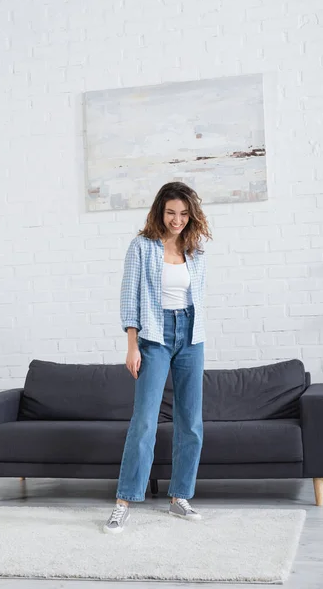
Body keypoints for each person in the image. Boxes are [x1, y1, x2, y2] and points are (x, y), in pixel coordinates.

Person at [103, 181, 212, 534]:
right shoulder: (142, 246)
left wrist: (193, 334)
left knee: (190, 422)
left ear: (191, 215)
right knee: (145, 421)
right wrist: (132, 345)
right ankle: (124, 501)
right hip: (154, 335)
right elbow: (128, 297)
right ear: (159, 212)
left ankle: (180, 496)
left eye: (183, 213)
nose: (177, 219)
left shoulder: (196, 252)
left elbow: (198, 298)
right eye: (171, 212)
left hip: (191, 336)